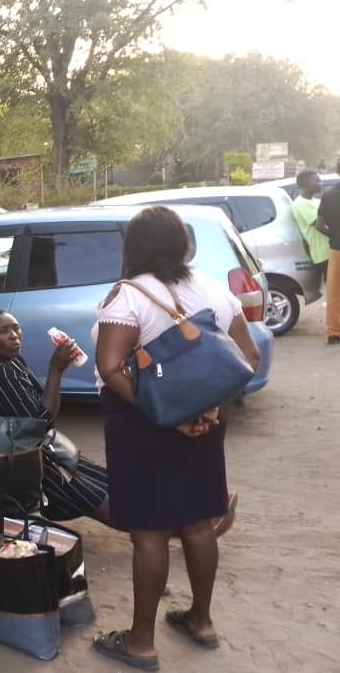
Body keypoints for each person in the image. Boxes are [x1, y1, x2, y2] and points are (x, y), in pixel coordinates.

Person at [92, 205, 260, 670]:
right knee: (199, 522)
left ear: (134, 248)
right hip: (206, 423)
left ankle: (140, 642)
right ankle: (200, 621)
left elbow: (109, 369)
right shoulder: (210, 287)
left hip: (143, 425)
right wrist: (205, 406)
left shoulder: (127, 296)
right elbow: (247, 357)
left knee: (149, 532)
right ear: (182, 246)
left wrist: (168, 415)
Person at [0, 309, 117, 527]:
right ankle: (162, 530)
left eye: (16, 328)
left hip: (37, 449)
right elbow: (41, 423)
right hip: (20, 465)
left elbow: (41, 406)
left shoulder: (12, 362)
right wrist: (55, 369)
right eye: (4, 331)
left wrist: (56, 370)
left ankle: (166, 525)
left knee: (106, 480)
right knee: (97, 498)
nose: (14, 335)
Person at [316, 164, 340, 344]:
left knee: (334, 293)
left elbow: (319, 225)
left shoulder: (329, 195)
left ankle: (334, 332)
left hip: (336, 249)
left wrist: (332, 234)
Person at [292, 171, 329, 284]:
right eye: (317, 181)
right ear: (306, 184)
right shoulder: (301, 204)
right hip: (324, 253)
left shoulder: (315, 201)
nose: (321, 183)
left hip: (330, 250)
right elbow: (320, 226)